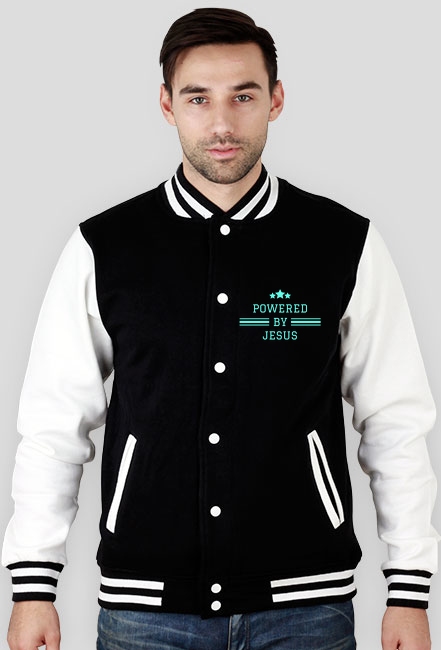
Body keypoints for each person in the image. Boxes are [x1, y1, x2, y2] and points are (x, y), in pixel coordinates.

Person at [3, 7, 438, 650]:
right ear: (167, 105)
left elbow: (395, 422)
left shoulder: (342, 243)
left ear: (276, 99)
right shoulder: (106, 247)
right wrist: (33, 586)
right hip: (146, 611)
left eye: (244, 96)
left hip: (306, 609)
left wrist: (409, 590)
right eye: (198, 98)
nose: (222, 124)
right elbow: (53, 425)